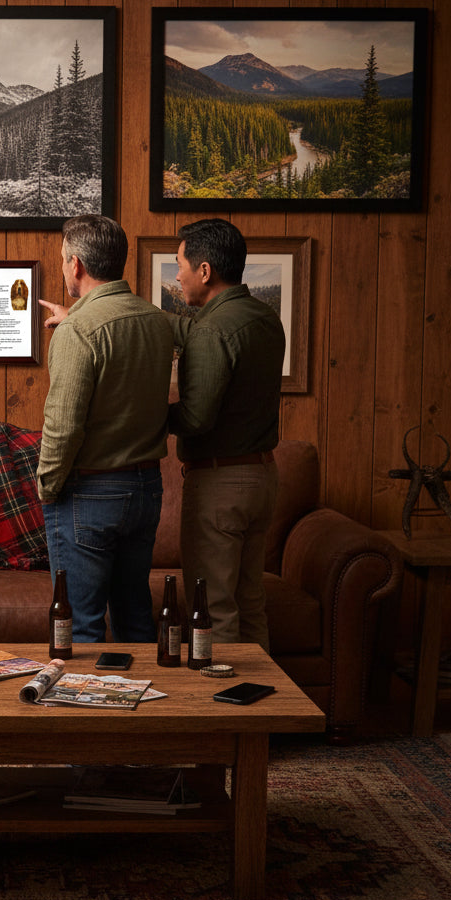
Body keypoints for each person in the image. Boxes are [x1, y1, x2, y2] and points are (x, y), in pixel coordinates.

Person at [36, 215, 173, 642]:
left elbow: (64, 426)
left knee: (82, 627)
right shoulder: (156, 321)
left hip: (89, 494)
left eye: (62, 260)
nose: (63, 268)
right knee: (135, 620)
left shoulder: (79, 330)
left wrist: (47, 485)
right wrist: (74, 317)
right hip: (146, 489)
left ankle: (85, 710)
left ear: (76, 265)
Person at [167, 218, 285, 650]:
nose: (176, 274)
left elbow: (197, 419)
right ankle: (264, 710)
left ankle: (224, 711)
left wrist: (144, 416)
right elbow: (195, 333)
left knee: (213, 608)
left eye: (180, 264)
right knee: (250, 601)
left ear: (204, 271)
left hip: (220, 485)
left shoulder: (214, 330)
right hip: (261, 478)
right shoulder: (262, 317)